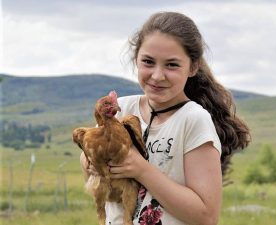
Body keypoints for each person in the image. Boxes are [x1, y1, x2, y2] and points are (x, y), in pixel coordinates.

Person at [80, 11, 250, 225]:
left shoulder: (193, 120)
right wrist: (89, 162)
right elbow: (97, 184)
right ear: (136, 60)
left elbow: (206, 217)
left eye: (171, 65)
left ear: (193, 67)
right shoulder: (120, 109)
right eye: (148, 62)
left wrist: (141, 170)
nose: (157, 75)